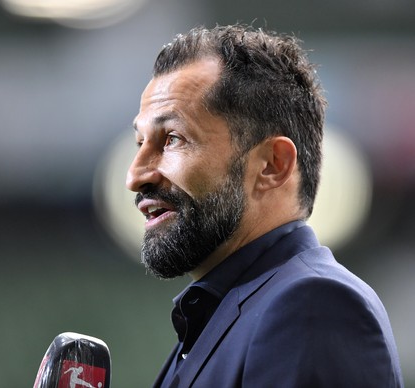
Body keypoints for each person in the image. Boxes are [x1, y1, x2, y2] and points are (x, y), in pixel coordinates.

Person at [126, 24, 403, 387]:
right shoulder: (220, 314)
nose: (135, 175)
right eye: (140, 142)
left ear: (272, 165)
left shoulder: (313, 305)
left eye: (173, 138)